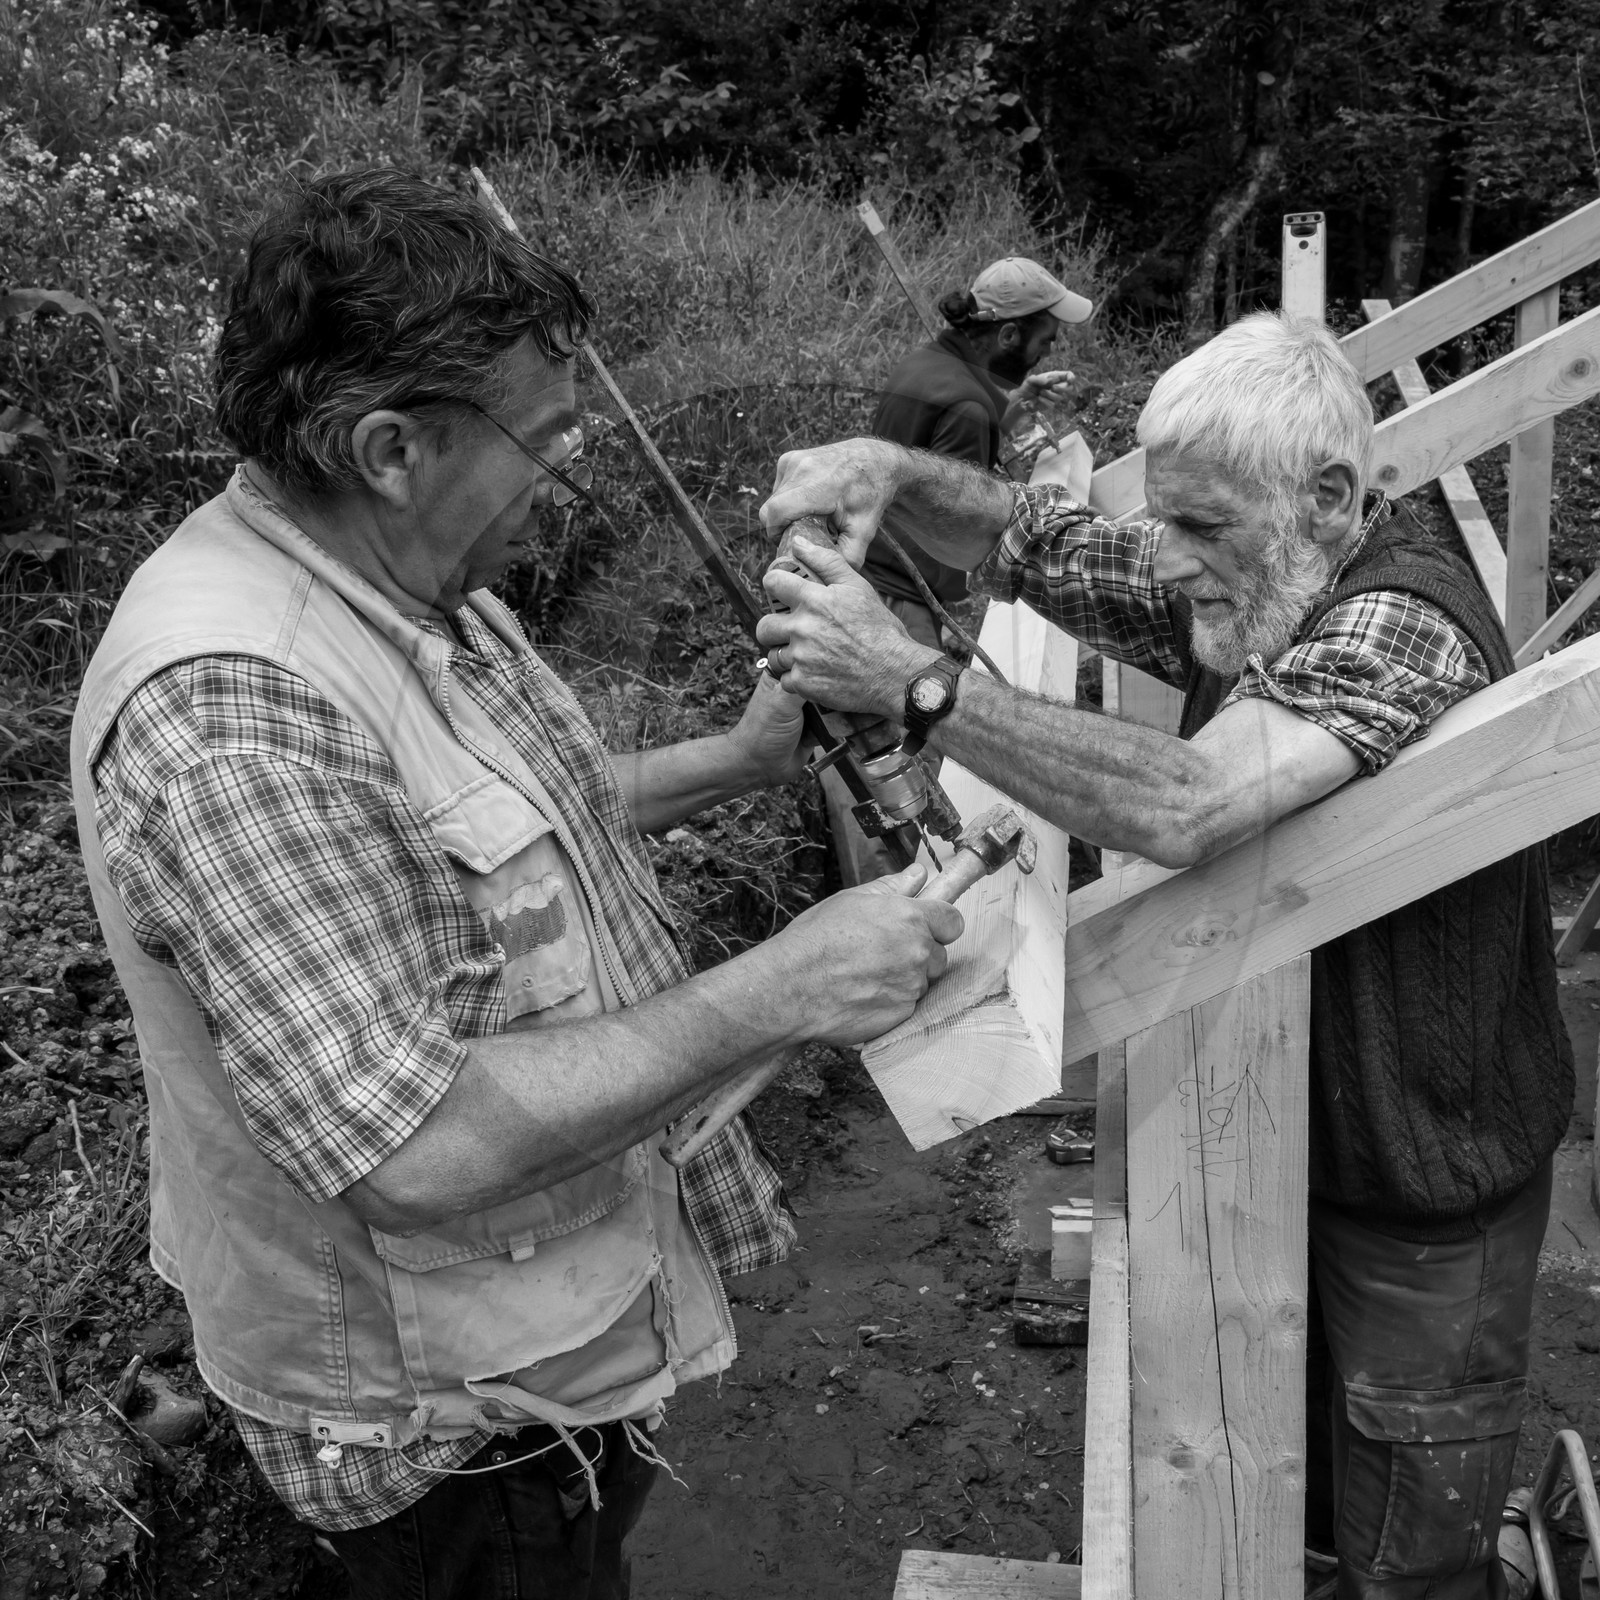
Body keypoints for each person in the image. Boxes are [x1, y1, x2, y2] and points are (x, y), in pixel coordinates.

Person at [68, 169, 961, 1600]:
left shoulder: (402, 581)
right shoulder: (235, 715)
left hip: (536, 1346)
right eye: (545, 440)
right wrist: (786, 982)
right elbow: (406, 1150)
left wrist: (736, 760)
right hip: (442, 1425)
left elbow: (486, 828)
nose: (567, 471)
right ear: (390, 447)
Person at [755, 311, 1573, 1599]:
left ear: (1328, 496)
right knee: (1295, 1487)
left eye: (1200, 528)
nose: (1167, 556)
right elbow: (1033, 535)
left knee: (1411, 1550)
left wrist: (914, 680)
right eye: (1169, 519)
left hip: (1429, 1183)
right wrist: (892, 470)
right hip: (1309, 1148)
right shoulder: (1267, 568)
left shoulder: (1402, 621)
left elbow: (1189, 799)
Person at [828, 257, 1091, 881]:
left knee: (867, 760)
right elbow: (942, 521)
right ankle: (913, 899)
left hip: (872, 580)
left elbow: (926, 456)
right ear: (1007, 336)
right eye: (1044, 338)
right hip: (902, 602)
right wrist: (946, 618)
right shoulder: (967, 405)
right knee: (903, 774)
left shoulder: (926, 365)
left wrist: (1012, 404)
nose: (1047, 348)